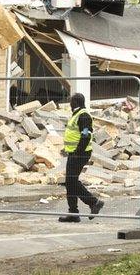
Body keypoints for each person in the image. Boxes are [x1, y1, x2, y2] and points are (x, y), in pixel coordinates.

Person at [59, 93, 104, 222]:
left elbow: (86, 136)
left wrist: (77, 152)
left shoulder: (83, 115)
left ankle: (93, 202)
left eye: (71, 101)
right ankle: (74, 213)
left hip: (80, 154)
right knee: (70, 182)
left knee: (71, 181)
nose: (70, 103)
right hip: (74, 153)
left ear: (76, 102)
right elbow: (75, 135)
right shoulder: (77, 114)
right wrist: (67, 149)